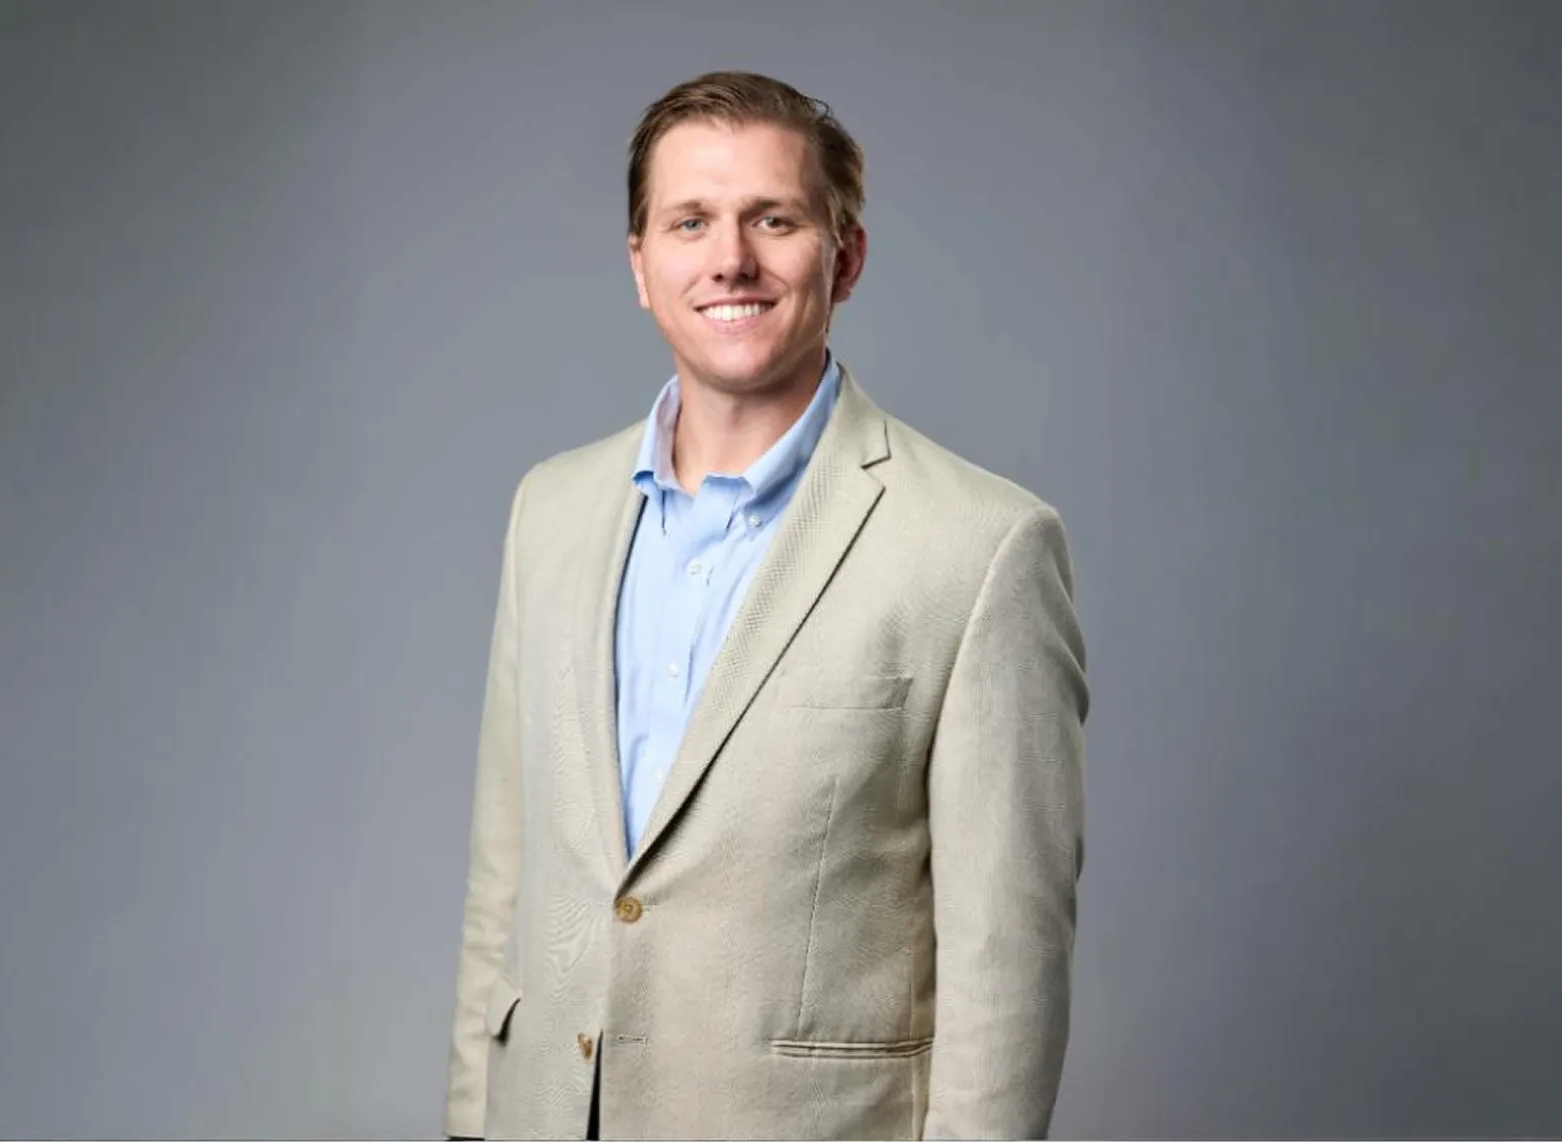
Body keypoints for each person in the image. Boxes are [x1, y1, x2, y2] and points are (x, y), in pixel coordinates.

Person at [443, 70, 1088, 1141]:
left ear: (847, 257)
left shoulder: (981, 549)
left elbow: (1009, 963)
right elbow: (504, 877)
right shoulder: (548, 512)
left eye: (774, 219)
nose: (730, 258)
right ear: (641, 265)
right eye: (689, 221)